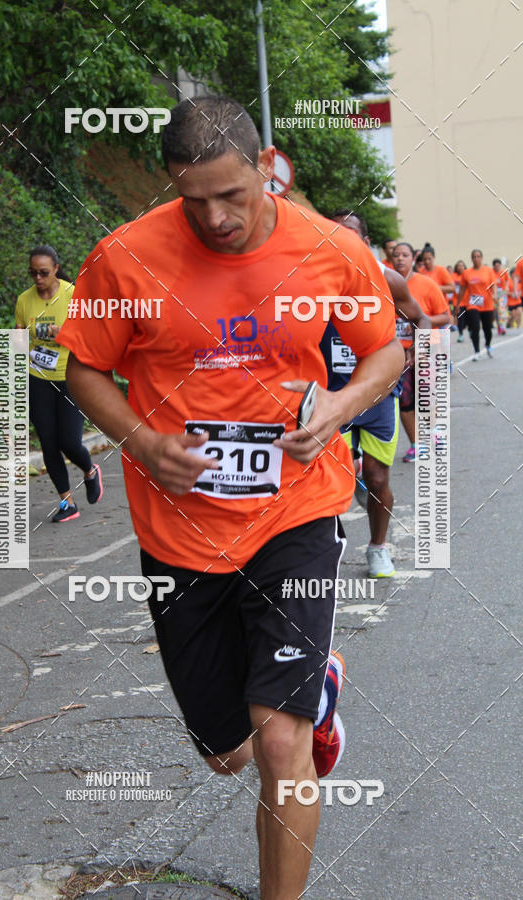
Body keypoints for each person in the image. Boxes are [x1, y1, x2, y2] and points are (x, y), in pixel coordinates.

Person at [56, 96, 404, 899]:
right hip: (180, 533)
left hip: (297, 510)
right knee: (227, 750)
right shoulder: (124, 259)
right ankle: (321, 692)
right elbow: (82, 368)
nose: (214, 218)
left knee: (280, 744)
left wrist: (340, 408)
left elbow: (382, 351)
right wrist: (141, 442)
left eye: (231, 195)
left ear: (264, 168)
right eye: (192, 198)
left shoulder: (328, 248)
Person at [322, 211, 431, 579]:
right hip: (331, 394)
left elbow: (422, 319)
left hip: (379, 394)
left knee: (378, 478)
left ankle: (378, 548)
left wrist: (417, 353)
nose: (344, 241)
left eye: (351, 234)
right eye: (336, 234)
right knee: (331, 478)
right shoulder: (308, 277)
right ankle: (323, 554)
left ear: (364, 240)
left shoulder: (387, 278)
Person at [15, 245, 103, 522]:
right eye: (33, 273)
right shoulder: (24, 300)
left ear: (55, 268)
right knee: (49, 444)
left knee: (69, 440)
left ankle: (89, 470)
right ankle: (67, 502)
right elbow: (19, 336)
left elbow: (93, 335)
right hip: (37, 379)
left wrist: (61, 333)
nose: (38, 278)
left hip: (70, 377)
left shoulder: (73, 295)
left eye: (43, 272)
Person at [391, 242, 451, 461]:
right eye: (396, 255)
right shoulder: (382, 284)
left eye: (404, 255)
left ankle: (435, 435)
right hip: (397, 352)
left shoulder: (426, 284)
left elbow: (446, 316)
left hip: (427, 347)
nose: (400, 259)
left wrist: (419, 320)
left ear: (412, 257)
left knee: (426, 397)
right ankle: (416, 444)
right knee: (404, 400)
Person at [457, 249, 497, 360]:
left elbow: (493, 284)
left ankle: (488, 345)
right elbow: (462, 290)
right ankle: (476, 351)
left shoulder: (488, 271)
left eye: (478, 256)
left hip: (487, 303)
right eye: (474, 257)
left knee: (487, 328)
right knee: (475, 327)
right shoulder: (467, 273)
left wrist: (494, 295)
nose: (476, 259)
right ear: (471, 259)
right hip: (473, 303)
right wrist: (458, 304)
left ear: (482, 258)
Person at [492, 258, 510, 335]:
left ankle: (502, 327)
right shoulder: (491, 272)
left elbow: (507, 280)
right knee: (495, 312)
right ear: (493, 266)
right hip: (494, 294)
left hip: (502, 293)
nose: (497, 267)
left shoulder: (503, 272)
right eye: (495, 266)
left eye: (498, 265)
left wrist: (506, 287)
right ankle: (499, 326)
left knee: (501, 310)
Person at [453, 259, 467, 341]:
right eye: (459, 266)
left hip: (467, 301)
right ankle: (461, 334)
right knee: (460, 317)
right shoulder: (453, 276)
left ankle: (470, 330)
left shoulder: (467, 274)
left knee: (468, 318)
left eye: (462, 265)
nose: (460, 267)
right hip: (457, 301)